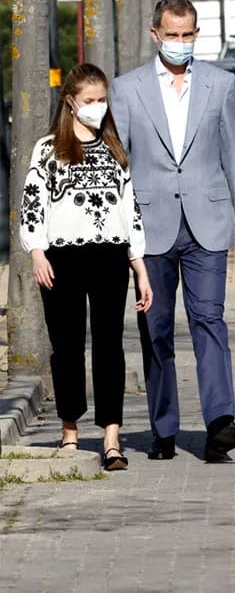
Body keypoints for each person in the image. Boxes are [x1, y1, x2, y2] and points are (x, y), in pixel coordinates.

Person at [111, 0, 235, 462]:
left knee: (209, 320)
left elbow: (234, 155)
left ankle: (219, 423)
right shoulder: (127, 89)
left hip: (208, 222)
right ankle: (163, 428)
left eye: (187, 34)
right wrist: (123, 233)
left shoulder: (220, 84)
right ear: (156, 34)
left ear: (197, 34)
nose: (179, 43)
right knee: (155, 329)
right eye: (171, 35)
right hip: (151, 227)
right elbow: (120, 164)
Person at [20, 63, 153, 471]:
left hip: (110, 255)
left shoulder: (115, 149)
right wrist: (36, 251)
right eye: (89, 101)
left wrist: (140, 265)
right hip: (61, 257)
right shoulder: (48, 149)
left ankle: (111, 436)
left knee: (110, 345)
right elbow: (32, 204)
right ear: (71, 102)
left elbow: (129, 210)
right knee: (67, 346)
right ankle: (70, 431)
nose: (97, 107)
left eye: (102, 100)